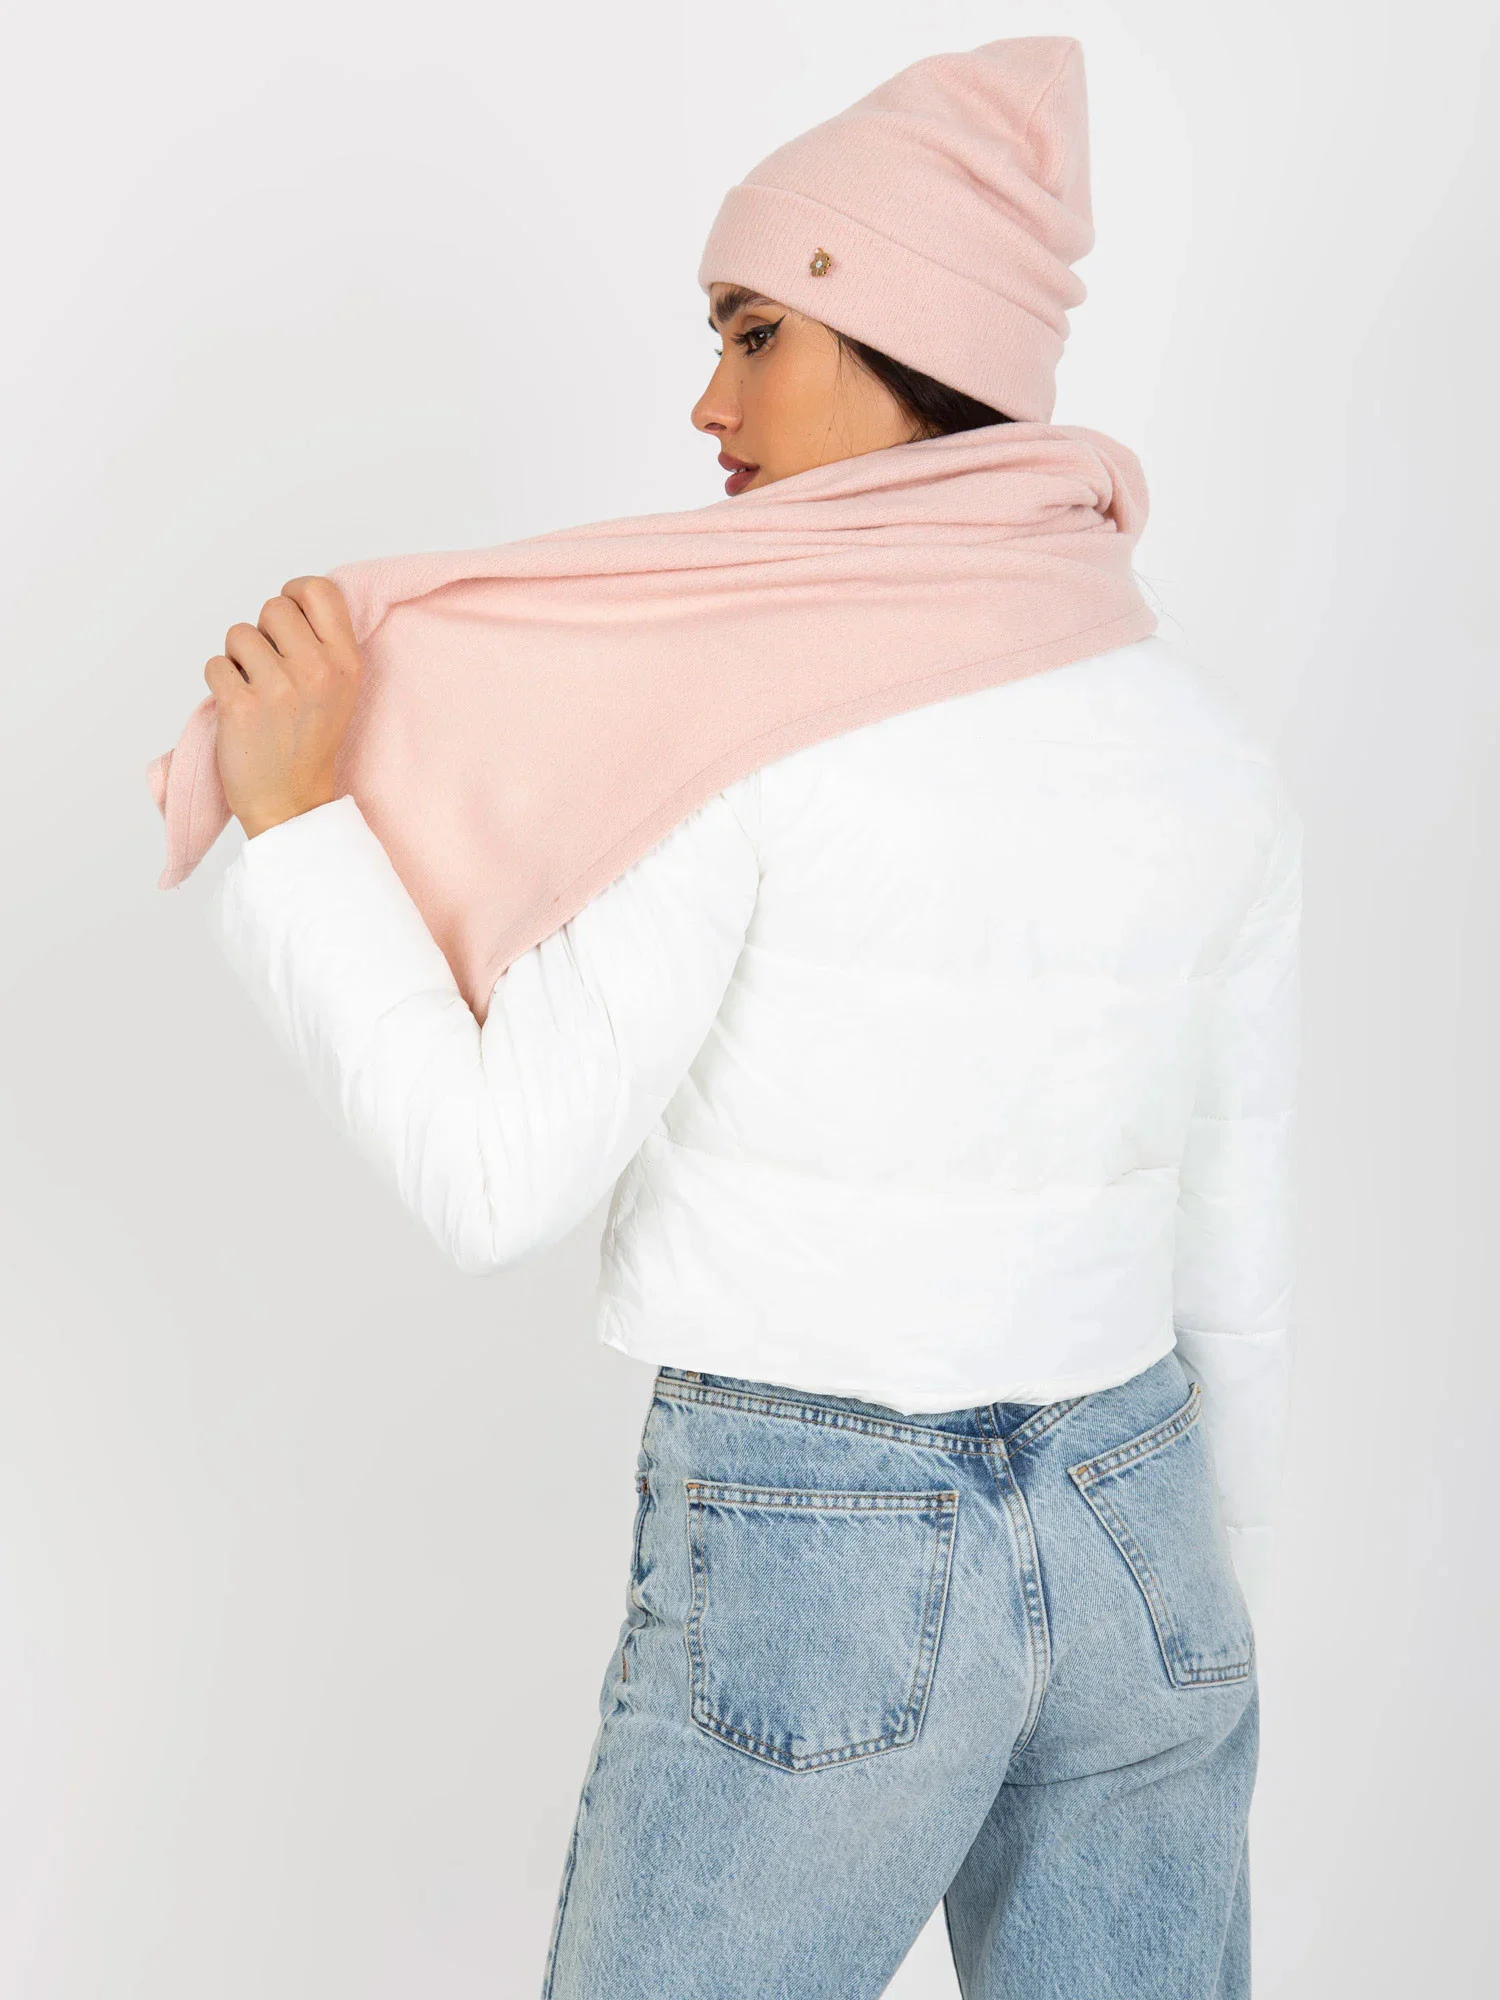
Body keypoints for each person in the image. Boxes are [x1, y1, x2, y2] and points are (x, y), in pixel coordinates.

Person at [196, 37, 1300, 2000]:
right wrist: (1215, 1611)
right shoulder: (1206, 748)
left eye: (754, 331)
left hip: (824, 1533)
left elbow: (492, 1175)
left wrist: (298, 835)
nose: (709, 402)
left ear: (910, 339)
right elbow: (1238, 1250)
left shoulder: (748, 741)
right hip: (1151, 1530)